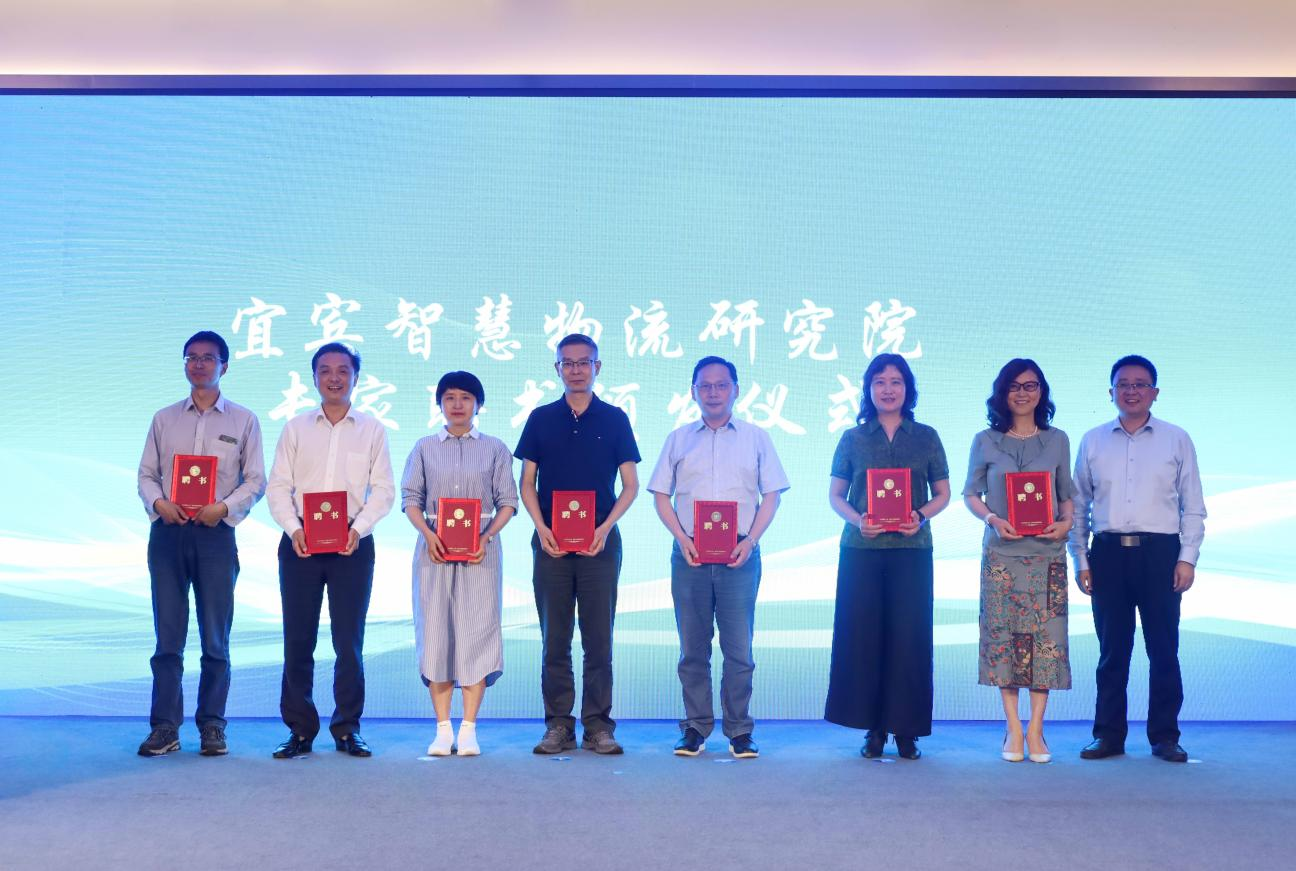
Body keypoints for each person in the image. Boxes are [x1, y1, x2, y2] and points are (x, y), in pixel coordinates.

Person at [647, 356, 789, 759]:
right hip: (690, 553)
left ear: (735, 390)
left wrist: (752, 541)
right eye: (705, 386)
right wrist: (681, 538)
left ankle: (740, 730)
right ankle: (694, 727)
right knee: (693, 649)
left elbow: (772, 495)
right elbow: (661, 495)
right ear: (693, 392)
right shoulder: (678, 439)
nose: (713, 392)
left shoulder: (756, 437)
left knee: (739, 650)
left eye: (721, 385)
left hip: (739, 554)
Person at [136, 331, 266, 757]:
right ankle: (164, 728)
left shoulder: (243, 420)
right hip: (168, 534)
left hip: (215, 536)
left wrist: (223, 508)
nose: (198, 364)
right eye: (191, 357)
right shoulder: (164, 418)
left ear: (224, 366)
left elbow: (255, 481)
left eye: (208, 358)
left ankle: (212, 725)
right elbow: (146, 475)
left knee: (215, 637)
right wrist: (159, 503)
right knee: (168, 638)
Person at [1070, 355, 1205, 763]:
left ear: (1155, 393)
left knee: (1163, 650)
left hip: (1161, 554)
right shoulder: (1093, 440)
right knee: (1113, 652)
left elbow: (1192, 506)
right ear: (1111, 392)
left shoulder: (1176, 439)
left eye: (1140, 384)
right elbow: (1078, 506)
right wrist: (1081, 560)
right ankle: (1108, 735)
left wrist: (1187, 558)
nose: (1131, 391)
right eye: (1123, 384)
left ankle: (1165, 737)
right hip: (1108, 554)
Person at [266, 342, 394, 759]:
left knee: (348, 642)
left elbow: (384, 490)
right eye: (325, 370)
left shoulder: (372, 429)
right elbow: (278, 487)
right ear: (315, 377)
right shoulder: (295, 428)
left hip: (353, 544)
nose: (334, 378)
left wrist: (358, 528)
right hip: (300, 543)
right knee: (297, 639)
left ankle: (347, 728)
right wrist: (294, 529)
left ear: (356, 377)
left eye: (342, 370)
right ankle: (300, 730)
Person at [515, 334, 640, 755]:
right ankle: (558, 725)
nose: (576, 370)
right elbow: (527, 482)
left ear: (597, 367)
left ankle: (598, 726)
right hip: (550, 543)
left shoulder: (615, 419)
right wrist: (541, 527)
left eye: (584, 362)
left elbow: (630, 485)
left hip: (600, 545)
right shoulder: (540, 418)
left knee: (598, 640)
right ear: (557, 369)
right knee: (555, 640)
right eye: (567, 363)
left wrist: (605, 528)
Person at [824, 353, 950, 760]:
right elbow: (836, 496)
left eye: (896, 381)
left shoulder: (926, 436)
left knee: (909, 640)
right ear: (868, 389)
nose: (888, 389)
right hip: (861, 551)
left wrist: (920, 515)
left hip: (912, 550)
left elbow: (943, 493)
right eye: (879, 381)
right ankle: (874, 729)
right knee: (864, 639)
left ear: (908, 389)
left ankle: (906, 731)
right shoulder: (853, 438)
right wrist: (858, 520)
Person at [401, 371, 518, 757]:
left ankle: (468, 729)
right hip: (434, 552)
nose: (457, 404)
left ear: (478, 404)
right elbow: (411, 499)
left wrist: (485, 537)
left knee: (476, 634)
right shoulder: (423, 447)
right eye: (449, 397)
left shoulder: (495, 448)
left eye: (466, 397)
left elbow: (508, 502)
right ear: (439, 403)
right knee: (437, 634)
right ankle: (442, 729)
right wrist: (428, 534)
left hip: (480, 553)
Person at [963, 359, 1074, 764]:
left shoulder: (1058, 439)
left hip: (1047, 556)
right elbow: (971, 494)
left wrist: (1066, 523)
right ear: (1002, 393)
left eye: (1030, 385)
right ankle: (1012, 727)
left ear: (1041, 391)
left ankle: (1036, 729)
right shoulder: (985, 440)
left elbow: (1066, 495)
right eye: (1014, 386)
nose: (1023, 393)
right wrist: (992, 519)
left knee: (1046, 642)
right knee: (1004, 641)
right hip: (1002, 556)